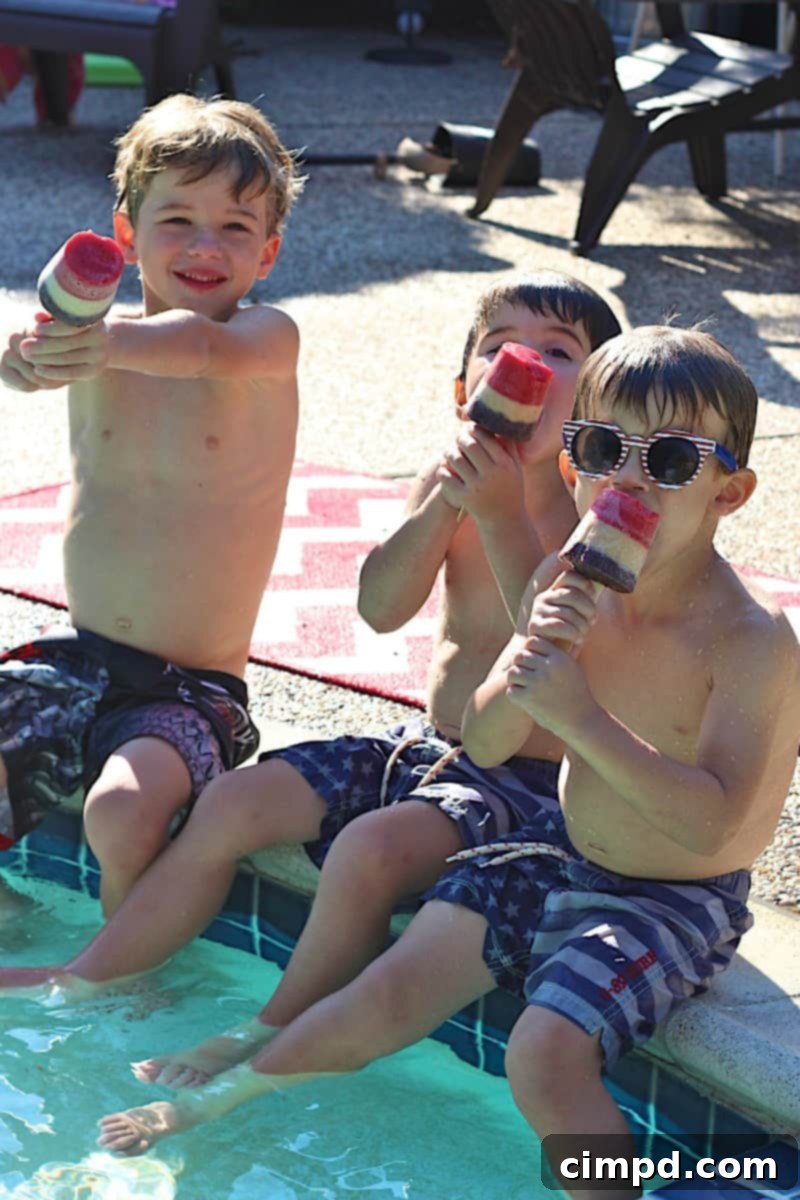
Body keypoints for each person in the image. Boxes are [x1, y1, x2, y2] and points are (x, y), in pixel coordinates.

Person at [96, 327, 798, 1200]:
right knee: (389, 987)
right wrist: (537, 667)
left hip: (677, 893)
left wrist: (579, 717)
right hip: (560, 847)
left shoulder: (750, 640)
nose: (630, 480)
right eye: (606, 447)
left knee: (541, 1055)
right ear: (573, 465)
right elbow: (490, 738)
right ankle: (240, 1088)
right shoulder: (565, 584)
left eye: (671, 460)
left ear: (730, 492)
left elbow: (714, 822)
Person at [0, 272, 621, 1014]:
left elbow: (545, 635)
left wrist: (495, 512)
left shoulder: (597, 512)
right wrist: (443, 508)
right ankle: (98, 971)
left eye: (559, 351)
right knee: (230, 801)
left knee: (370, 855)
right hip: (428, 746)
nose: (526, 362)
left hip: (527, 781)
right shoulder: (449, 479)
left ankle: (277, 1029)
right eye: (501, 346)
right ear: (465, 389)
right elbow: (381, 609)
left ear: (596, 405)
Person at [0, 93, 303, 916]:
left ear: (268, 251)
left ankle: (125, 967)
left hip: (187, 690)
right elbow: (19, 367)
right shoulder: (98, 339)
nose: (207, 247)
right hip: (79, 658)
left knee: (123, 811)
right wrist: (29, 354)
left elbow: (199, 349)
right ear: (126, 235)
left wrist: (97, 343)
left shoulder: (265, 340)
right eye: (179, 221)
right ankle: (15, 924)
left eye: (237, 228)